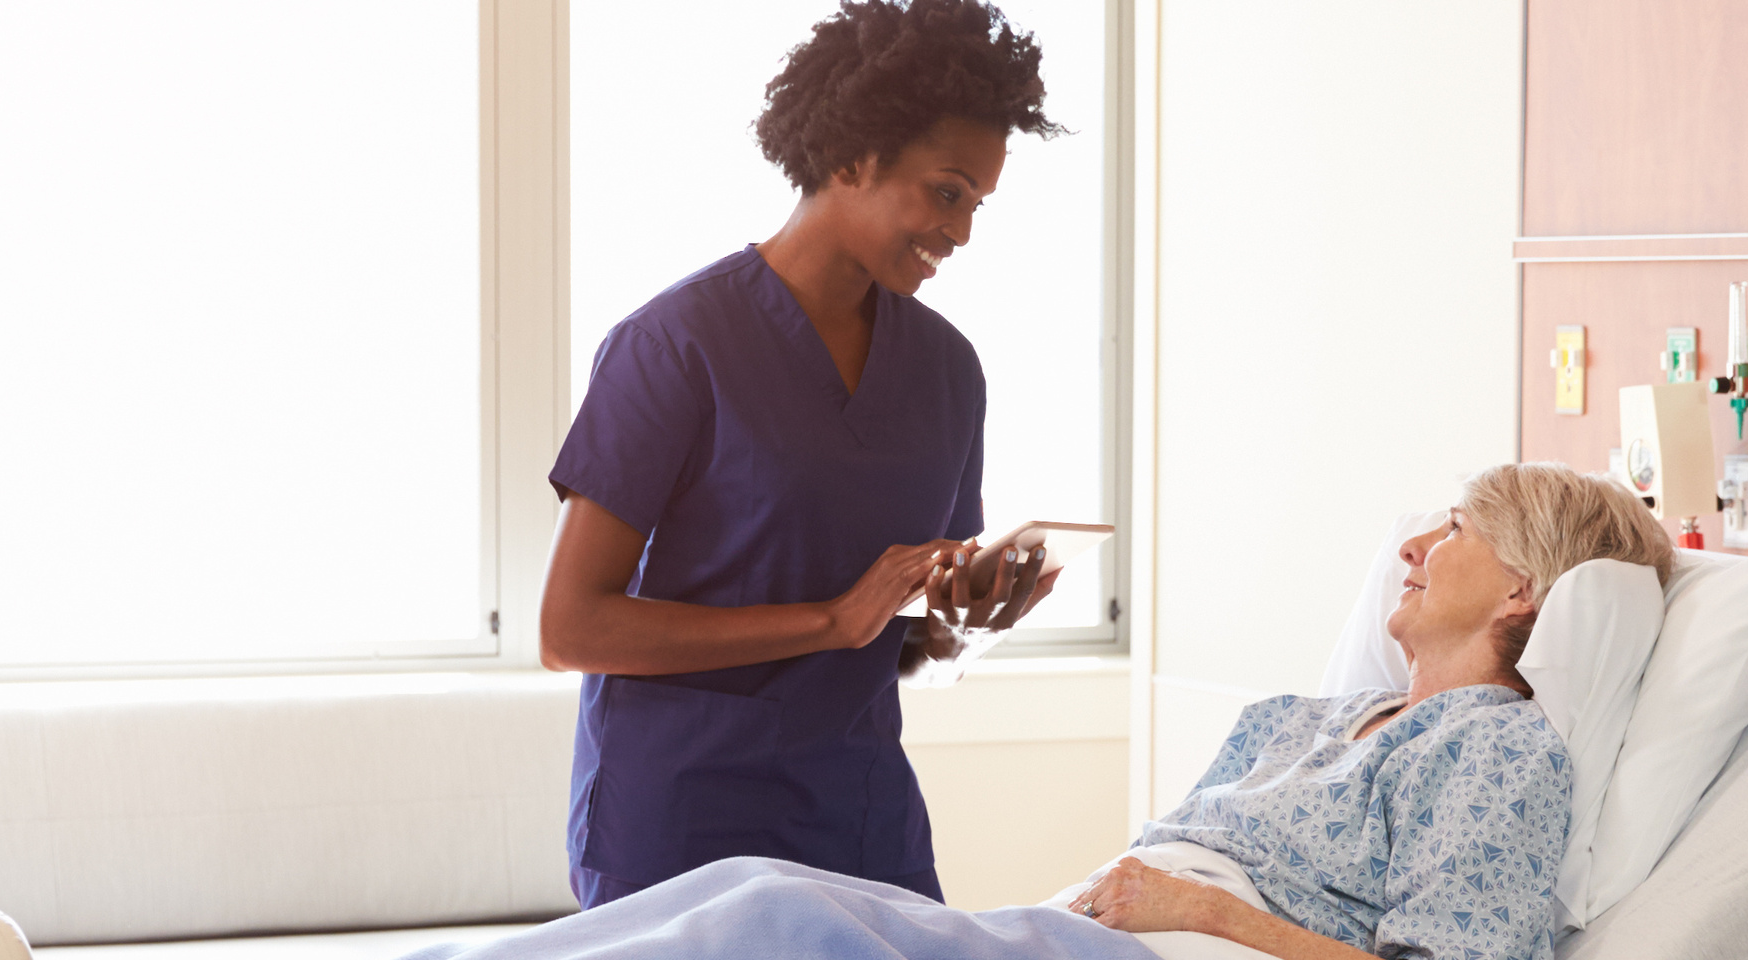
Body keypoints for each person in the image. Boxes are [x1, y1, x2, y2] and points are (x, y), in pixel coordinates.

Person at [424, 464, 1674, 960]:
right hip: (1084, 933)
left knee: (775, 919)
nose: (1411, 543)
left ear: (1522, 589)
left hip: (1174, 949)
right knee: (746, 885)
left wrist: (1199, 909)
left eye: (1451, 529)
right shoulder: (1307, 714)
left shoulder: (1496, 749)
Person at [535, 0, 1069, 909]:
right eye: (947, 192)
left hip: (859, 818)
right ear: (854, 155)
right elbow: (570, 629)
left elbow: (905, 639)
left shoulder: (947, 369)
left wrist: (966, 616)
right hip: (680, 824)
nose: (964, 230)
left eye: (977, 203)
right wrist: (829, 618)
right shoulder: (674, 346)